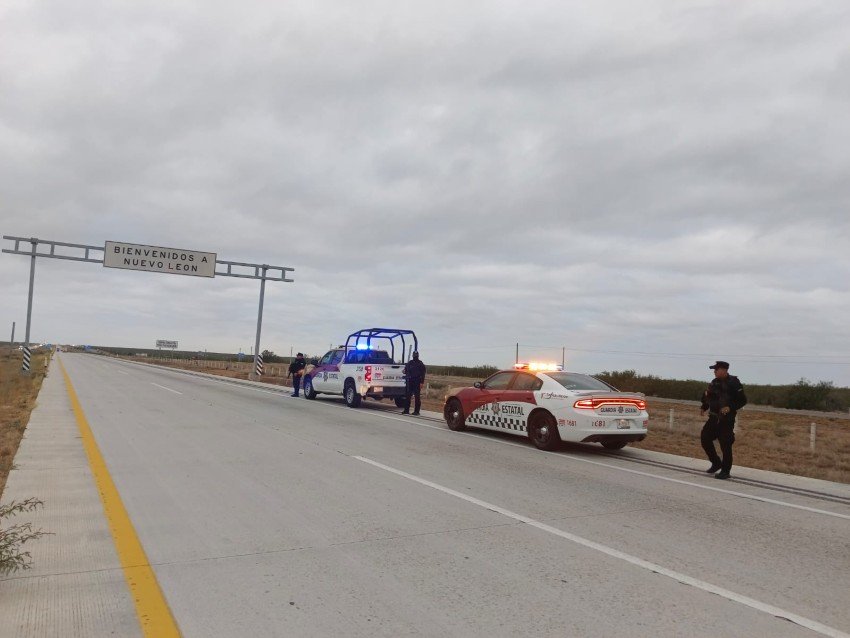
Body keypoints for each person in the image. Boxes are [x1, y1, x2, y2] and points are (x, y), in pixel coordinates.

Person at [700, 361, 747, 480]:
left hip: (726, 420)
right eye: (714, 370)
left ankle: (725, 471)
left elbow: (742, 400)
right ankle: (716, 463)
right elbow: (708, 396)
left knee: (725, 445)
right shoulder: (714, 382)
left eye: (716, 369)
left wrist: (730, 407)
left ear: (724, 370)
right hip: (713, 418)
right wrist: (704, 406)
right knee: (705, 438)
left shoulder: (734, 382)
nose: (714, 371)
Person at [402, 351, 426, 415]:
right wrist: (404, 371)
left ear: (418, 355)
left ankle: (417, 411)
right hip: (410, 381)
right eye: (414, 355)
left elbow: (423, 374)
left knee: (417, 396)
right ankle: (406, 410)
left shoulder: (420, 364)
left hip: (417, 381)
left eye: (416, 355)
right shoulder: (410, 363)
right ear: (413, 355)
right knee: (408, 396)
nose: (415, 356)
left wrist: (421, 382)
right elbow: (405, 370)